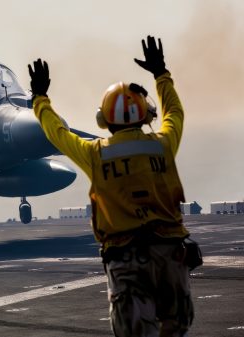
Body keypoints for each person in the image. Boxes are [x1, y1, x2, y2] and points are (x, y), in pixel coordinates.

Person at [28, 36, 194, 336]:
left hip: (126, 259)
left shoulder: (96, 153)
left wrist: (40, 99)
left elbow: (58, 133)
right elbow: (175, 113)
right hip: (171, 255)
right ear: (145, 114)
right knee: (175, 329)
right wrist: (161, 74)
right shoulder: (164, 144)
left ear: (105, 119)